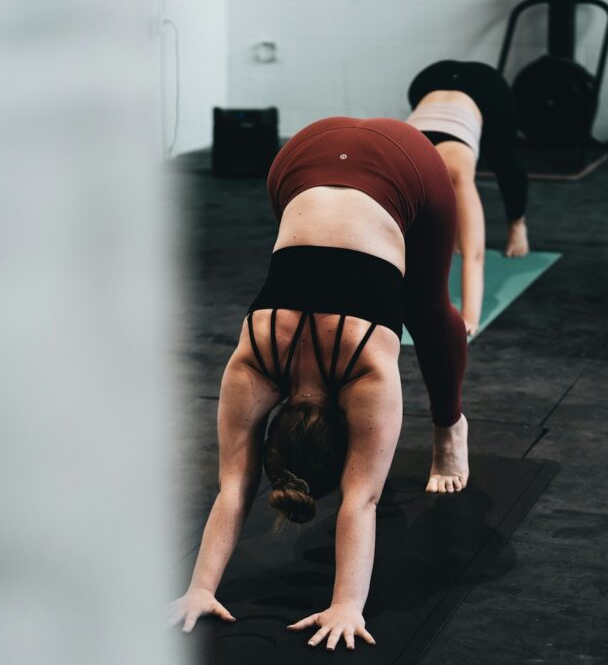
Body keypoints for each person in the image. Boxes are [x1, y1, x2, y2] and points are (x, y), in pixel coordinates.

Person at [168, 117, 470, 650]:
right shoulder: (252, 363)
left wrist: (348, 605)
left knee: (428, 311)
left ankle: (451, 426)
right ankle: (448, 427)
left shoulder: (369, 371)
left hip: (407, 161)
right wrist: (196, 589)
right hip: (299, 154)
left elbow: (360, 500)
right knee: (415, 301)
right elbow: (240, 488)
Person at [407, 59, 530, 336]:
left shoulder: (456, 171)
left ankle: (517, 225)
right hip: (427, 80)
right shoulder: (401, 170)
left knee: (503, 159)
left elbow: (475, 255)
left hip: (488, 90)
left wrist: (468, 317)